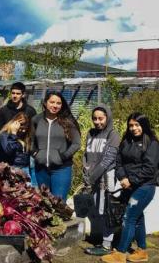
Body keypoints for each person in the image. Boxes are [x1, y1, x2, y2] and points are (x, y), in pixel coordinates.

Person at [101, 113, 159, 263]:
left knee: (129, 217)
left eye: (137, 125)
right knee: (138, 218)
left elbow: (150, 169)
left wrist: (131, 180)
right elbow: (118, 162)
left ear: (144, 125)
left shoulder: (152, 143)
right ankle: (142, 251)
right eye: (131, 125)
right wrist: (123, 178)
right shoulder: (126, 141)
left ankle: (120, 253)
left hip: (145, 187)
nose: (134, 128)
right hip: (129, 185)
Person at [82, 105, 121, 256]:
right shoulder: (91, 133)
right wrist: (85, 172)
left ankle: (106, 245)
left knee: (107, 211)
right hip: (93, 179)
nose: (97, 122)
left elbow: (108, 160)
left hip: (106, 178)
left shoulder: (113, 134)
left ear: (107, 118)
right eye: (94, 118)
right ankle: (104, 240)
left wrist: (91, 177)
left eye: (101, 118)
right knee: (98, 210)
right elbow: (86, 154)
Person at [32, 90, 80, 200]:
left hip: (61, 169)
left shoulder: (68, 121)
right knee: (45, 203)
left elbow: (76, 143)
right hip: (41, 169)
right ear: (45, 103)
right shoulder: (36, 120)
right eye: (52, 102)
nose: (55, 105)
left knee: (59, 203)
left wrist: (63, 156)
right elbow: (29, 140)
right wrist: (35, 153)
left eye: (58, 103)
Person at [0, 112, 37, 186]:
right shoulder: (5, 135)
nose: (24, 131)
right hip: (12, 170)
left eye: (26, 128)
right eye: (21, 128)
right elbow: (8, 150)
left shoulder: (25, 136)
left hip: (25, 170)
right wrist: (13, 134)